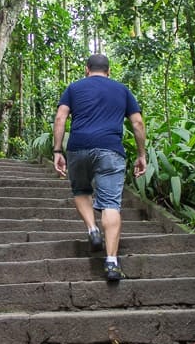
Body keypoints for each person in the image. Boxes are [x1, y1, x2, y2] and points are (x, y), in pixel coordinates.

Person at [52, 54, 147, 281]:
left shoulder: (73, 88)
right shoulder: (122, 90)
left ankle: (93, 230)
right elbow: (137, 123)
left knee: (81, 190)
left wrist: (57, 150)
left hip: (78, 148)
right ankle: (112, 263)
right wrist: (141, 154)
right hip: (110, 150)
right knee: (111, 204)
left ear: (87, 69)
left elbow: (60, 118)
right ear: (109, 71)